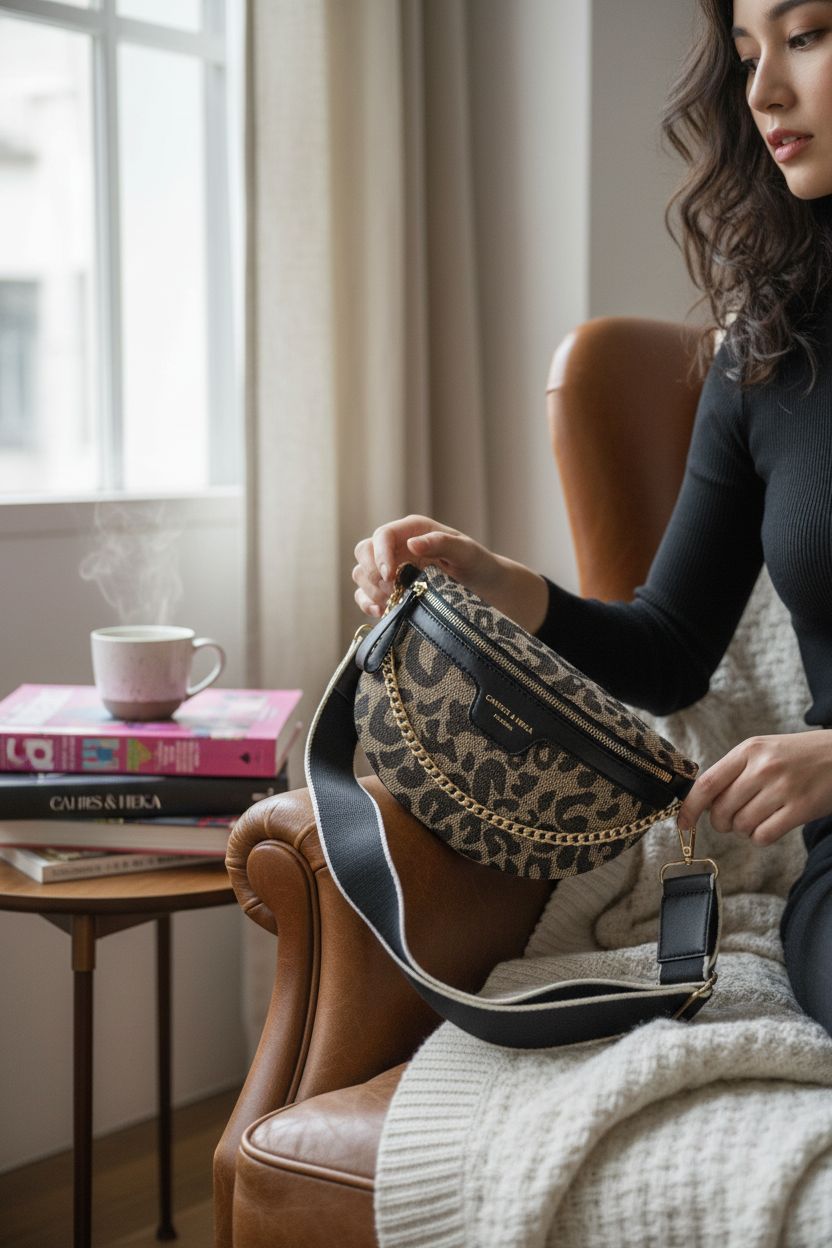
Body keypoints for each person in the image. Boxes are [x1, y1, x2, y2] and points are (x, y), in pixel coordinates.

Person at [350, 0, 832, 1037]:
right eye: (747, 55)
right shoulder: (765, 353)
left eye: (808, 35)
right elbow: (668, 653)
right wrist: (498, 587)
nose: (763, 93)